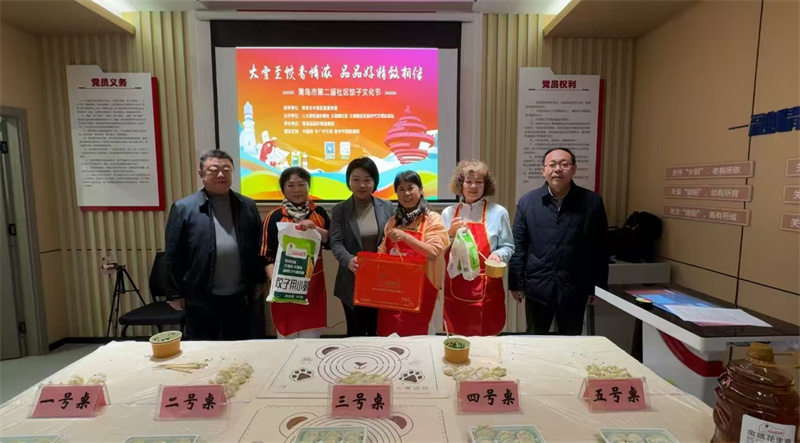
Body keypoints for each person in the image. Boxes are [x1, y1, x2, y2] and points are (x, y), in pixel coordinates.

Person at [164, 149, 266, 340]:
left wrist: (259, 280)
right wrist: (174, 293)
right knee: (205, 348)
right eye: (213, 170)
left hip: (240, 295)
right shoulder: (184, 208)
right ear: (201, 174)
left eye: (226, 170)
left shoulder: (247, 205)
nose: (221, 175)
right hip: (200, 295)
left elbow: (258, 245)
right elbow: (173, 253)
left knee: (240, 346)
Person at [509, 148, 608, 335]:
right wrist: (515, 283)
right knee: (535, 338)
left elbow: (600, 248)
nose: (558, 169)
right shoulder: (527, 202)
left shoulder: (592, 202)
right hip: (537, 285)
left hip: (575, 285)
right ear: (543, 170)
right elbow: (518, 245)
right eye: (552, 164)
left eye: (564, 164)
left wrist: (598, 286)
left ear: (574, 169)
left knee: (570, 339)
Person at [441, 160, 514, 336]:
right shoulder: (448, 213)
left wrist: (498, 255)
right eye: (469, 181)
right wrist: (450, 234)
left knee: (487, 342)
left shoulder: (498, 212)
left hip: (487, 285)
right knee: (458, 340)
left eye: (479, 182)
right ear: (461, 184)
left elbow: (508, 245)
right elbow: (439, 249)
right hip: (456, 284)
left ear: (486, 185)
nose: (473, 186)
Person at [373, 171, 449, 337]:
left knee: (420, 343)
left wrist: (405, 237)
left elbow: (433, 252)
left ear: (420, 190)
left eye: (410, 188)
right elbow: (382, 253)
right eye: (401, 189)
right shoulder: (393, 221)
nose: (406, 193)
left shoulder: (432, 219)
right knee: (390, 341)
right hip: (392, 293)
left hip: (422, 294)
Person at [261, 167, 330, 338]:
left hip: (313, 288)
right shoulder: (274, 216)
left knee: (311, 340)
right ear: (283, 189)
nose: (297, 190)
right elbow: (266, 255)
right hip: (284, 289)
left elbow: (330, 242)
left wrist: (315, 229)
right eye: (291, 185)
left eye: (301, 184)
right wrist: (277, 282)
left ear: (308, 186)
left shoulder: (319, 213)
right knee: (286, 340)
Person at [330, 158, 394, 336]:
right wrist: (348, 260)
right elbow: (336, 242)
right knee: (355, 332)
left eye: (367, 180)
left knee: (377, 330)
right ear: (349, 181)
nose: (362, 185)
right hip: (352, 279)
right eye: (356, 179)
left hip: (381, 281)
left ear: (375, 182)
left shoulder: (387, 206)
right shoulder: (340, 210)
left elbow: (392, 239)